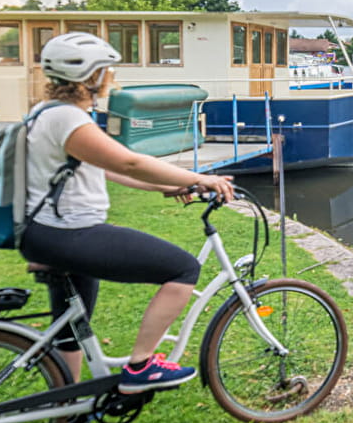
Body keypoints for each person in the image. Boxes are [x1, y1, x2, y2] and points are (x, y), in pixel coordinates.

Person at [20, 32, 237, 395]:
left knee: (72, 331)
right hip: (69, 233)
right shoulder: (68, 119)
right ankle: (141, 366)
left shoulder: (47, 113)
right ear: (90, 76)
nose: (111, 79)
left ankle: (62, 407)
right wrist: (200, 177)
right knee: (183, 269)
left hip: (48, 232)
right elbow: (130, 161)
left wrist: (166, 186)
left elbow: (105, 168)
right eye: (107, 71)